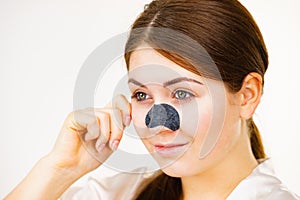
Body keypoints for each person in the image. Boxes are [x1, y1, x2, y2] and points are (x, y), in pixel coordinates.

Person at [5, 0, 300, 199]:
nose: (157, 122)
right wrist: (60, 169)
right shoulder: (119, 192)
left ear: (247, 95)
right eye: (142, 95)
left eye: (182, 93)